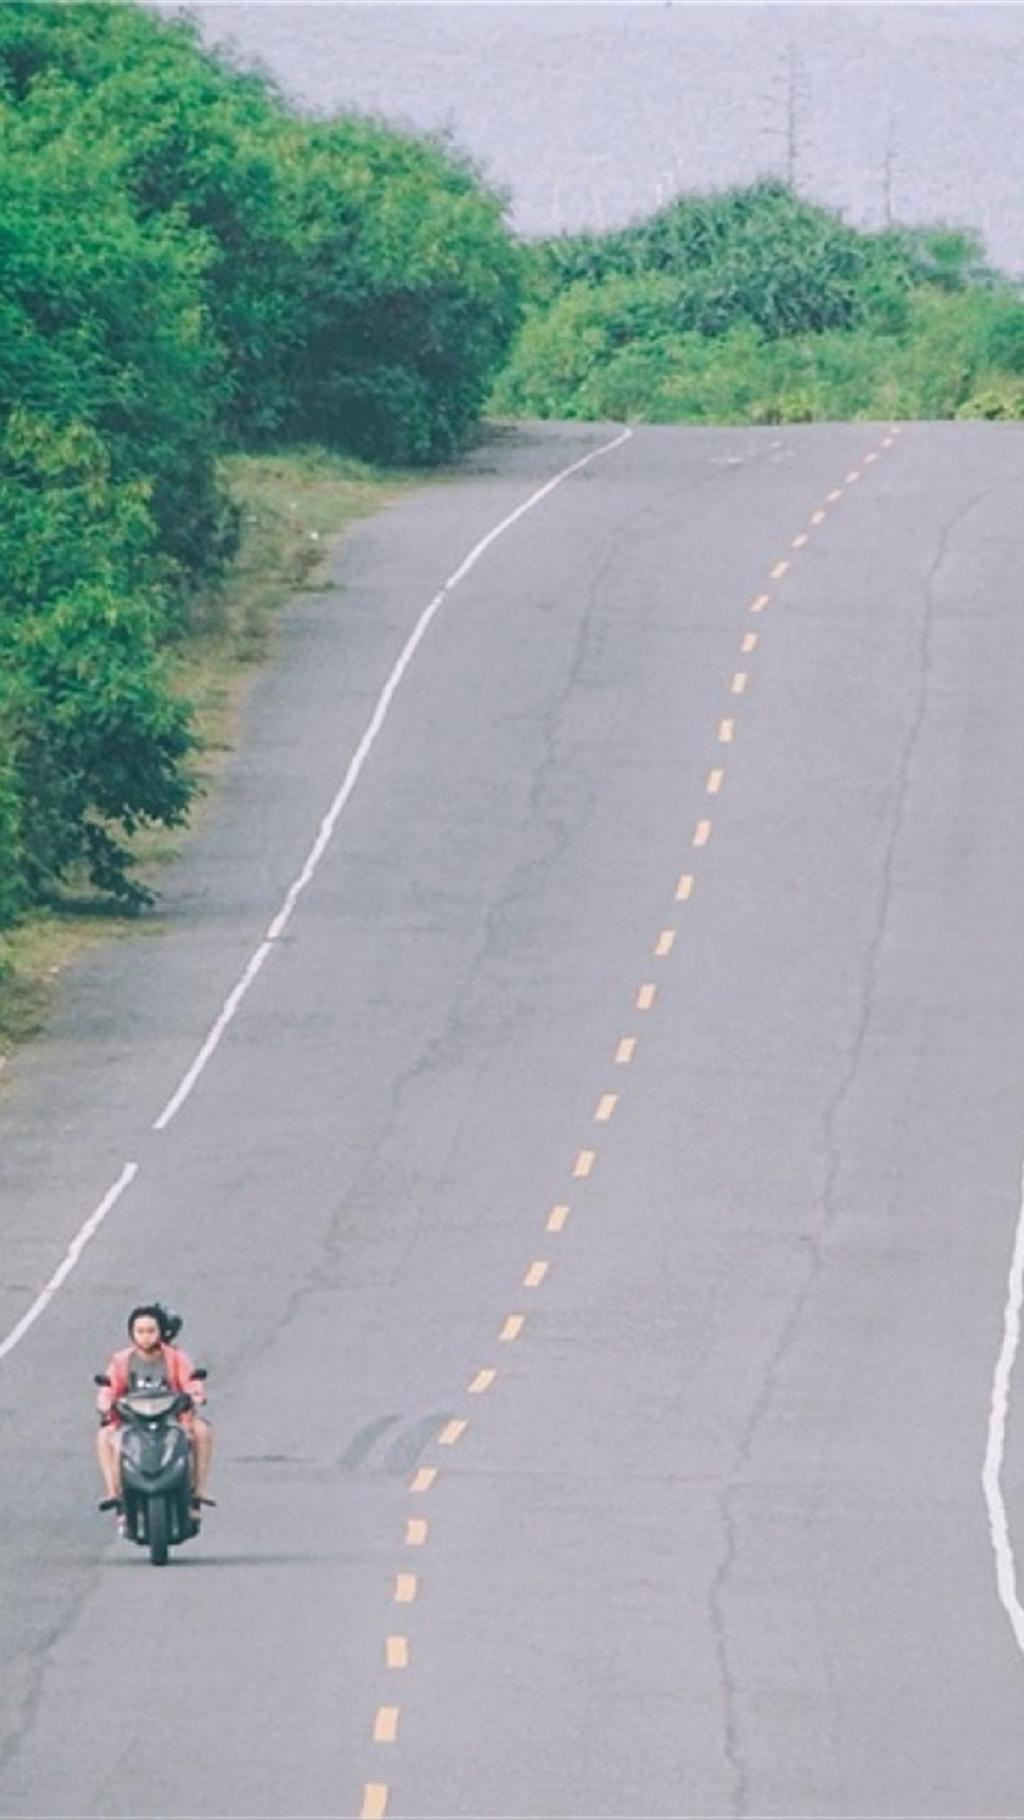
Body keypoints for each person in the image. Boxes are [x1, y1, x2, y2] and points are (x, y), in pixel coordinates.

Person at [96, 1303, 213, 1525]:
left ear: (161, 1332)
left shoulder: (177, 1358)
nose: (146, 1337)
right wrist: (106, 1403)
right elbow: (108, 1388)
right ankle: (115, 1494)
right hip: (132, 1421)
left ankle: (198, 1492)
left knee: (202, 1430)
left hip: (171, 1419)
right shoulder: (121, 1360)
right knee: (105, 1436)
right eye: (140, 1331)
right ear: (132, 1333)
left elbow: (192, 1383)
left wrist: (195, 1395)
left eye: (151, 1331)